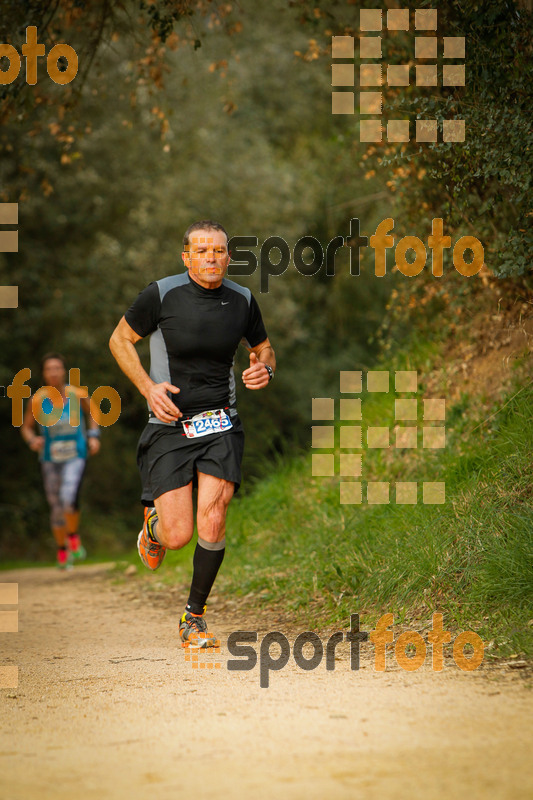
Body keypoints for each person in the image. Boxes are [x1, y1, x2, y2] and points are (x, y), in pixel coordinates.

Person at [109, 220, 275, 648]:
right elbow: (119, 340)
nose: (211, 258)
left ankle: (194, 617)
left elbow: (262, 346)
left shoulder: (242, 300)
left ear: (228, 256)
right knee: (179, 534)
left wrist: (264, 366)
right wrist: (148, 388)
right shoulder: (161, 294)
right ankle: (153, 530)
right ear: (186, 257)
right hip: (169, 425)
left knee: (214, 517)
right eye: (202, 252)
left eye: (219, 251)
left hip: (221, 421)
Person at [20, 353, 101, 569]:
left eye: (57, 368)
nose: (53, 372)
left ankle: (73, 536)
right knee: (55, 506)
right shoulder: (37, 400)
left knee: (68, 496)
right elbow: (26, 427)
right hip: (50, 457)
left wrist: (94, 436)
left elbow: (94, 413)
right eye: (49, 369)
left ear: (64, 371)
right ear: (44, 373)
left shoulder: (77, 394)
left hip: (76, 454)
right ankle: (62, 550)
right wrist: (32, 440)